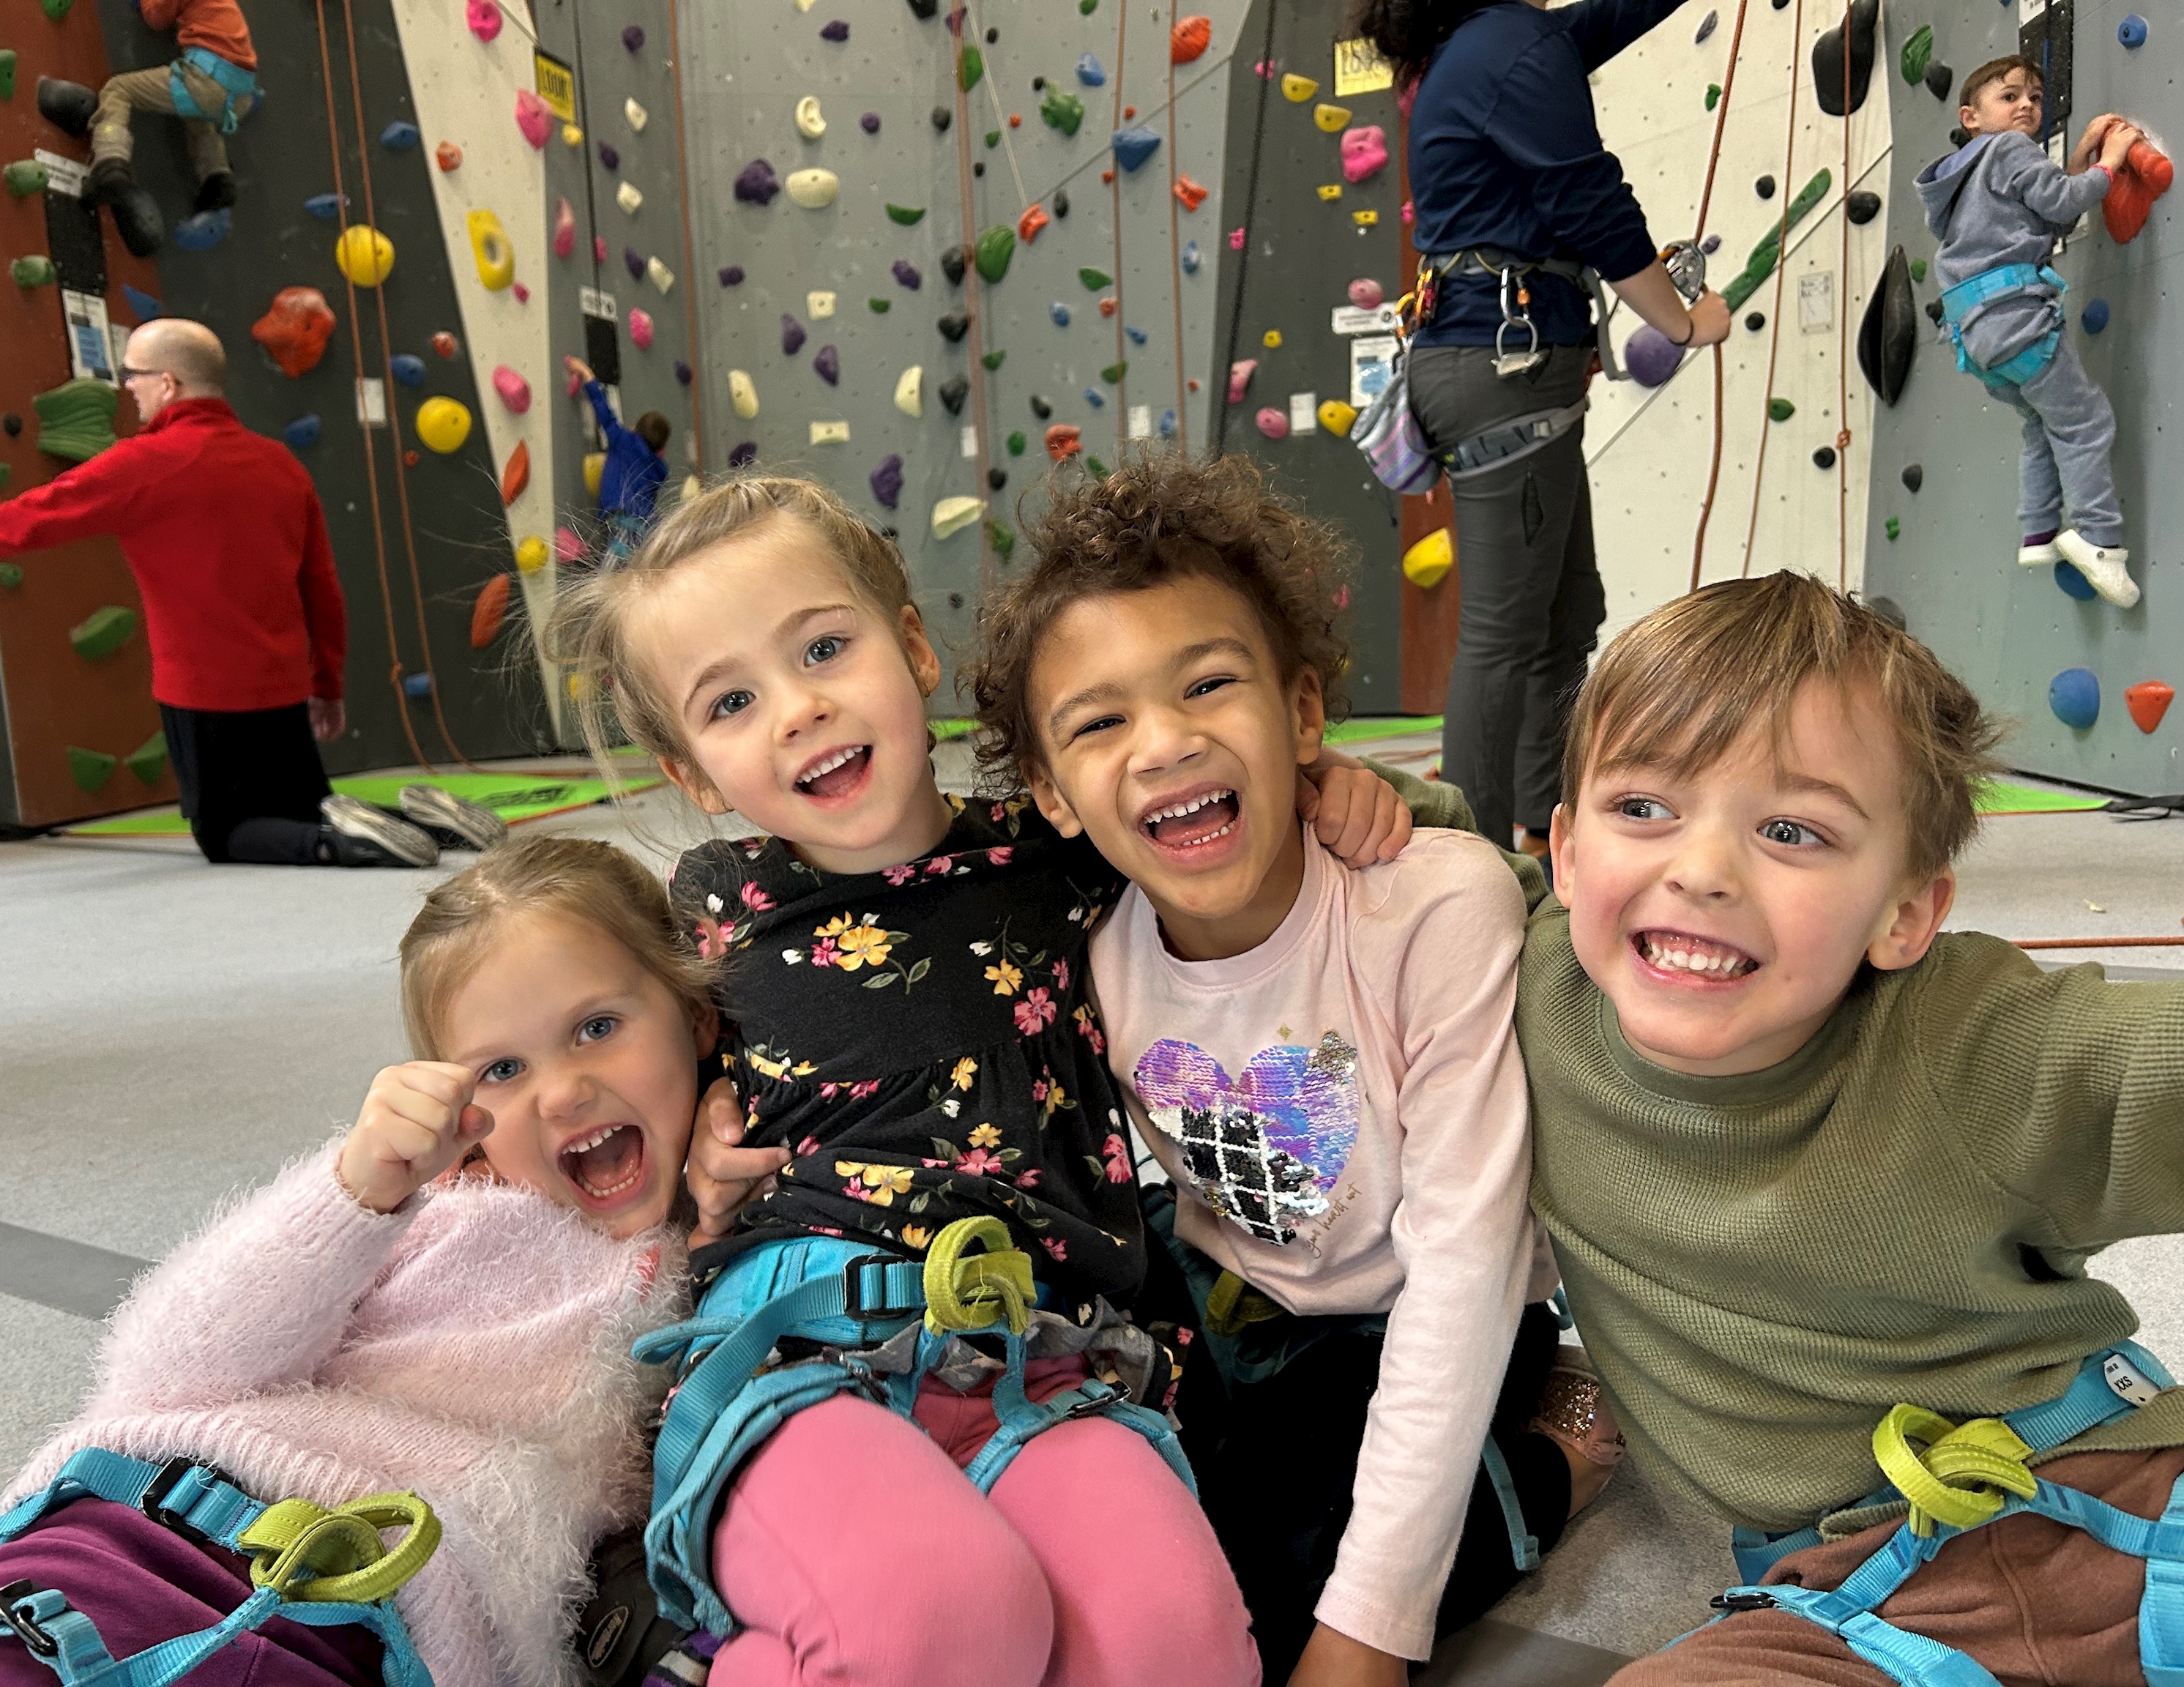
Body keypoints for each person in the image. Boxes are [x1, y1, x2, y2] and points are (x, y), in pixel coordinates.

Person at [551, 474, 1420, 1687]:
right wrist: (690, 1169)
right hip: (810, 1328)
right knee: (940, 1615)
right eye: (734, 699)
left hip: (1042, 1331)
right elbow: (585, 1082)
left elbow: (1205, 819)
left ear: (911, 645)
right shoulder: (717, 898)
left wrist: (1334, 790)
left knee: (1182, 1638)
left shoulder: (1055, 848)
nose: (800, 707)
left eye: (824, 646)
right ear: (691, 768)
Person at [954, 452, 1620, 1687]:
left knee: (1306, 1584)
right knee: (1139, 1569)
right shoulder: (1079, 956)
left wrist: (1367, 1636)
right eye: (1099, 721)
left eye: (1208, 682)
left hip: (1437, 1311)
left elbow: (1465, 1260)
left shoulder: (1435, 902)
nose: (1164, 740)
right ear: (1048, 789)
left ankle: (1561, 1457)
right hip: (1233, 1317)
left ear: (1302, 714)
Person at [1512, 570, 2184, 1683]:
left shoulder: (1966, 1040)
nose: (1700, 870)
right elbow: (1361, 878)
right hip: (1847, 1598)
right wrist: (1342, 788)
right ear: (1567, 850)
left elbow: (2143, 1070)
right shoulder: (1518, 977)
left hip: (2105, 1494)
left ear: (1905, 913)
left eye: (1791, 829)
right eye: (1645, 808)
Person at [0, 838, 715, 1686]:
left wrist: (724, 1196)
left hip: (374, 1630)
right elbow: (160, 1371)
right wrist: (356, 1195)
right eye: (501, 1069)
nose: (561, 1092)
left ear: (698, 1017)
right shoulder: (435, 1210)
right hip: (140, 1537)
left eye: (598, 1028)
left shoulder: (743, 1224)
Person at [1361, 0, 1730, 866]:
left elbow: (1612, 16)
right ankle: (1467, 863)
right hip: (1505, 370)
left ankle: (1538, 827)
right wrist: (1678, 322)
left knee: (1565, 614)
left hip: (1509, 367)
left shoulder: (1506, 42)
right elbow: (1589, 199)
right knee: (1503, 632)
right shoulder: (1509, 48)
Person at [0, 319, 499, 868]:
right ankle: (430, 824)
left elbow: (21, 522)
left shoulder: (142, 465)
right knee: (303, 805)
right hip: (283, 685)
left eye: (133, 373)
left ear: (168, 384)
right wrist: (326, 683)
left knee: (227, 832)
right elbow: (322, 588)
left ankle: (346, 848)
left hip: (202, 692)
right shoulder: (281, 464)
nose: (126, 386)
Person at [1917, 59, 2144, 607]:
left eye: (2036, 99)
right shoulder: (2013, 151)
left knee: (2042, 422)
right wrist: (2111, 162)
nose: (2027, 106)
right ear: (1971, 116)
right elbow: (2066, 204)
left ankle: (2039, 531)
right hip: (2017, 320)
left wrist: (2081, 154)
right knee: (2086, 420)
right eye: (2010, 96)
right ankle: (2097, 539)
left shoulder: (1961, 179)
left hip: (1975, 338)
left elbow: (2048, 218)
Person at [87, 0, 258, 215]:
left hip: (209, 78)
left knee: (118, 90)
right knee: (194, 110)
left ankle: (110, 161)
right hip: (240, 94)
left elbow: (156, 18)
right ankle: (217, 175)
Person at [562, 356, 670, 563]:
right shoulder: (658, 469)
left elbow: (605, 413)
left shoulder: (624, 440)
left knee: (610, 577)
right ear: (661, 449)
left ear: (635, 429)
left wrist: (586, 373)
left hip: (620, 520)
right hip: (647, 528)